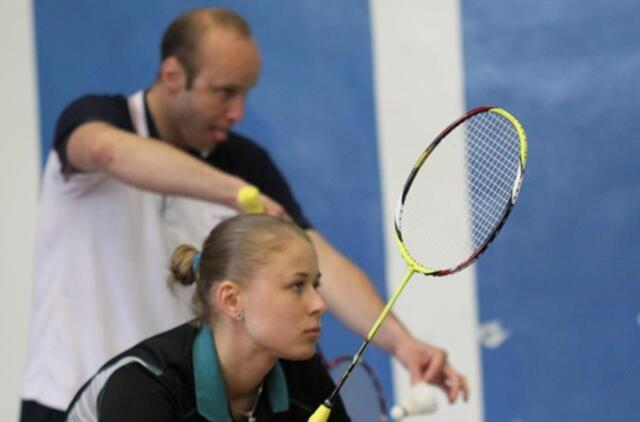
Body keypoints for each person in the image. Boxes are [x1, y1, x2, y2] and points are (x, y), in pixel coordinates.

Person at [21, 8, 468, 421]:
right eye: (224, 92)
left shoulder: (244, 160)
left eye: (245, 93)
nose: (237, 112)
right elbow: (107, 151)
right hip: (68, 399)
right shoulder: (100, 119)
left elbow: (316, 258)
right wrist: (236, 192)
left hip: (181, 397)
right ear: (173, 75)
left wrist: (401, 343)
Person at [66, 214, 350, 421]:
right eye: (297, 286)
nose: (319, 304)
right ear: (231, 299)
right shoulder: (141, 386)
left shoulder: (300, 372)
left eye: (316, 284)